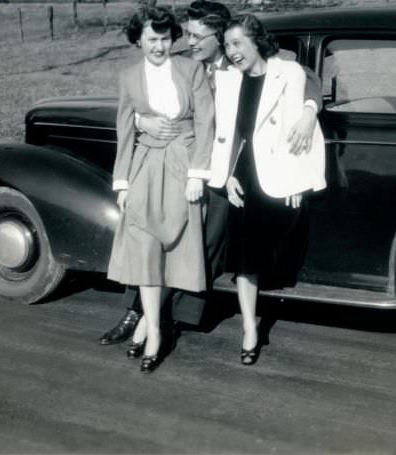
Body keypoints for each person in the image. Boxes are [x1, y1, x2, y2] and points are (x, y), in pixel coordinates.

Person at [98, 0, 323, 346]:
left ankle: (168, 317)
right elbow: (150, 101)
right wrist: (143, 120)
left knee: (203, 242)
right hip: (181, 164)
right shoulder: (185, 66)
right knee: (151, 235)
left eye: (198, 36)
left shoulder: (236, 62)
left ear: (220, 36)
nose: (190, 42)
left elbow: (303, 75)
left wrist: (309, 109)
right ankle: (138, 312)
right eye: (187, 34)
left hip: (221, 170)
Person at [208, 14, 326, 365]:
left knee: (275, 249)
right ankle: (249, 327)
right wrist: (225, 175)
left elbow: (313, 86)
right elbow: (223, 134)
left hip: (280, 172)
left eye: (237, 44)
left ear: (257, 41)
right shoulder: (228, 80)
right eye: (227, 45)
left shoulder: (287, 72)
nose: (232, 52)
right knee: (245, 258)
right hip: (243, 174)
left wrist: (308, 113)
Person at [106, 5, 214, 373]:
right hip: (144, 169)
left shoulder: (191, 69)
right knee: (145, 252)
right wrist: (122, 183)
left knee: (175, 248)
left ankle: (154, 325)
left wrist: (197, 174)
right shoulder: (128, 77)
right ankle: (152, 330)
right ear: (139, 40)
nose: (159, 46)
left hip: (182, 165)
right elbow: (124, 132)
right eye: (152, 39)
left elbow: (206, 120)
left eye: (165, 38)